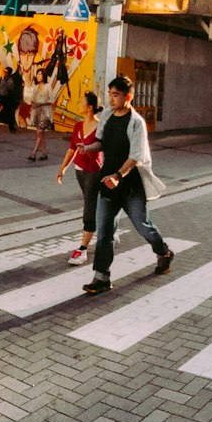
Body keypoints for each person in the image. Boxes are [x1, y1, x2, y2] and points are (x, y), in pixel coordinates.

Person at [82, 75, 173, 296]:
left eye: (116, 95)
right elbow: (102, 141)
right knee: (104, 233)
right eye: (110, 94)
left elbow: (136, 157)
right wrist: (88, 147)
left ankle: (164, 252)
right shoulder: (106, 116)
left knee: (142, 225)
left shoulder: (136, 123)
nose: (111, 99)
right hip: (108, 185)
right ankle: (101, 276)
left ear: (128, 97)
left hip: (130, 186)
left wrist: (118, 176)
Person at [58, 91, 107, 265]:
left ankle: (83, 249)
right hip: (79, 170)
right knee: (92, 202)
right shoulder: (78, 125)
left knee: (89, 207)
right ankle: (108, 228)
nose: (78, 103)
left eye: (81, 101)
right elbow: (72, 149)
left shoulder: (101, 126)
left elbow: (103, 147)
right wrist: (63, 168)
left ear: (89, 107)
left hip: (94, 171)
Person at [27, 66, 58, 161]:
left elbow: (51, 99)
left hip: (45, 111)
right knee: (40, 134)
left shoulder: (48, 86)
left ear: (43, 75)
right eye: (37, 74)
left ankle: (34, 153)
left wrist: (40, 103)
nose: (38, 76)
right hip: (37, 111)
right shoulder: (35, 87)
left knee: (39, 131)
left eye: (40, 74)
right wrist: (32, 106)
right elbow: (32, 99)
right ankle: (44, 153)